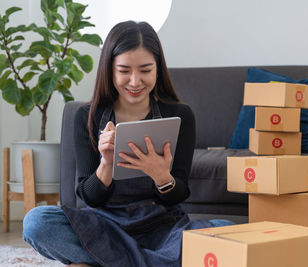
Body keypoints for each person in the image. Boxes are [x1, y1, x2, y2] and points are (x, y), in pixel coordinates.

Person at [22, 21, 234, 267]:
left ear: (158, 69)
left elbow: (179, 193)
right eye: (124, 71)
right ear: (110, 70)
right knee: (37, 222)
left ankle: (108, 261)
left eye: (145, 70)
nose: (135, 81)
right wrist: (107, 164)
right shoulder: (87, 116)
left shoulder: (180, 115)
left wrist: (162, 176)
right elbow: (89, 198)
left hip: (161, 227)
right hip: (104, 228)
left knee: (226, 231)